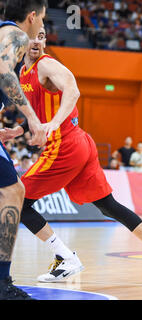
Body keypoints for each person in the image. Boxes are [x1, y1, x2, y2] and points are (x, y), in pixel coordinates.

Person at [0, 27, 142, 283]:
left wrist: (54, 123)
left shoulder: (47, 65)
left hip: (65, 145)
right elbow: (38, 114)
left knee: (17, 199)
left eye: (42, 36)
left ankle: (65, 257)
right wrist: (18, 130)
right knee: (109, 206)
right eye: (33, 36)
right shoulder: (23, 72)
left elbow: (73, 91)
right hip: (80, 143)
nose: (37, 41)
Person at [0, 0, 47, 300]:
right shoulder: (16, 35)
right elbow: (6, 75)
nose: (43, 26)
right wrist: (31, 118)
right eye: (42, 19)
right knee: (13, 191)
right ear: (32, 16)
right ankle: (2, 282)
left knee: (11, 190)